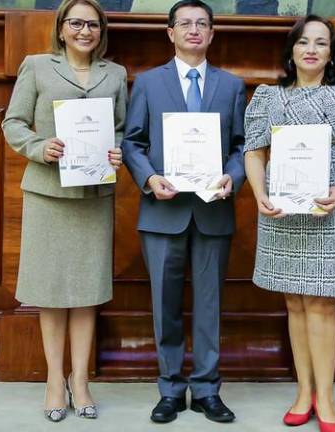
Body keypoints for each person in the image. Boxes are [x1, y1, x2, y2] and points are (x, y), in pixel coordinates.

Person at [243, 15, 335, 432]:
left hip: (330, 208)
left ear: (330, 52)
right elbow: (253, 150)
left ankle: (328, 400)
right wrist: (259, 192)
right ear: (291, 50)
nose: (311, 50)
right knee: (294, 302)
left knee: (321, 302)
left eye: (321, 43)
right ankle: (304, 392)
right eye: (303, 42)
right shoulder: (268, 97)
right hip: (283, 210)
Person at [1, 0, 127, 422]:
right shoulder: (36, 66)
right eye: (76, 23)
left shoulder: (116, 74)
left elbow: (123, 128)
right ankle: (55, 380)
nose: (84, 31)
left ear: (101, 30)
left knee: (87, 293)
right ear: (61, 29)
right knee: (51, 293)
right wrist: (40, 148)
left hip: (93, 196)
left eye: (92, 24)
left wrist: (117, 151)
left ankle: (81, 380)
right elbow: (13, 123)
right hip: (48, 196)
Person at [121, 0, 246, 424]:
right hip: (162, 210)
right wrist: (150, 178)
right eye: (185, 24)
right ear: (170, 33)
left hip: (213, 210)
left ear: (212, 34)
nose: (194, 30)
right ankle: (171, 389)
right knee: (165, 304)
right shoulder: (149, 83)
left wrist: (234, 176)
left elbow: (242, 146)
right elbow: (132, 143)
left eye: (202, 24)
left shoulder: (231, 86)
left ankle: (208, 389)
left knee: (210, 304)